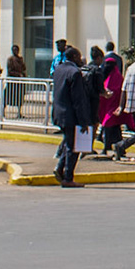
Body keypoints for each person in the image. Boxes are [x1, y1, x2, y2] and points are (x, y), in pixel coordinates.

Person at [53, 44, 94, 186]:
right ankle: (68, 178)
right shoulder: (75, 73)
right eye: (79, 56)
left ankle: (59, 169)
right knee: (73, 147)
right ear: (75, 57)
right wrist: (84, 121)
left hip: (59, 114)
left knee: (68, 143)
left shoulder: (59, 69)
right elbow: (78, 100)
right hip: (71, 115)